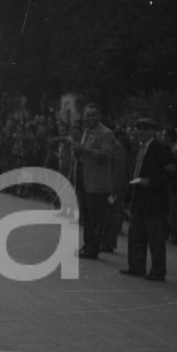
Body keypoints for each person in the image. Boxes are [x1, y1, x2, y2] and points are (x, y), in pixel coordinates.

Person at [119, 118, 173, 281]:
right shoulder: (139, 149)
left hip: (154, 200)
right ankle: (136, 266)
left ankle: (158, 270)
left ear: (151, 131)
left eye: (142, 129)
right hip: (139, 198)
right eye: (137, 129)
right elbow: (135, 172)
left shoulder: (161, 149)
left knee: (155, 238)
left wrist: (152, 182)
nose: (138, 132)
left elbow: (170, 173)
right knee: (136, 234)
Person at [59, 103, 115, 259]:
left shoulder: (106, 133)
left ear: (99, 116)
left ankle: (93, 248)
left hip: (97, 184)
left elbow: (105, 155)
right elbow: (82, 155)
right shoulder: (87, 132)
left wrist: (83, 149)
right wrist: (77, 151)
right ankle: (88, 245)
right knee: (87, 217)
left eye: (93, 115)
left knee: (95, 217)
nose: (89, 118)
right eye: (87, 114)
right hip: (84, 180)